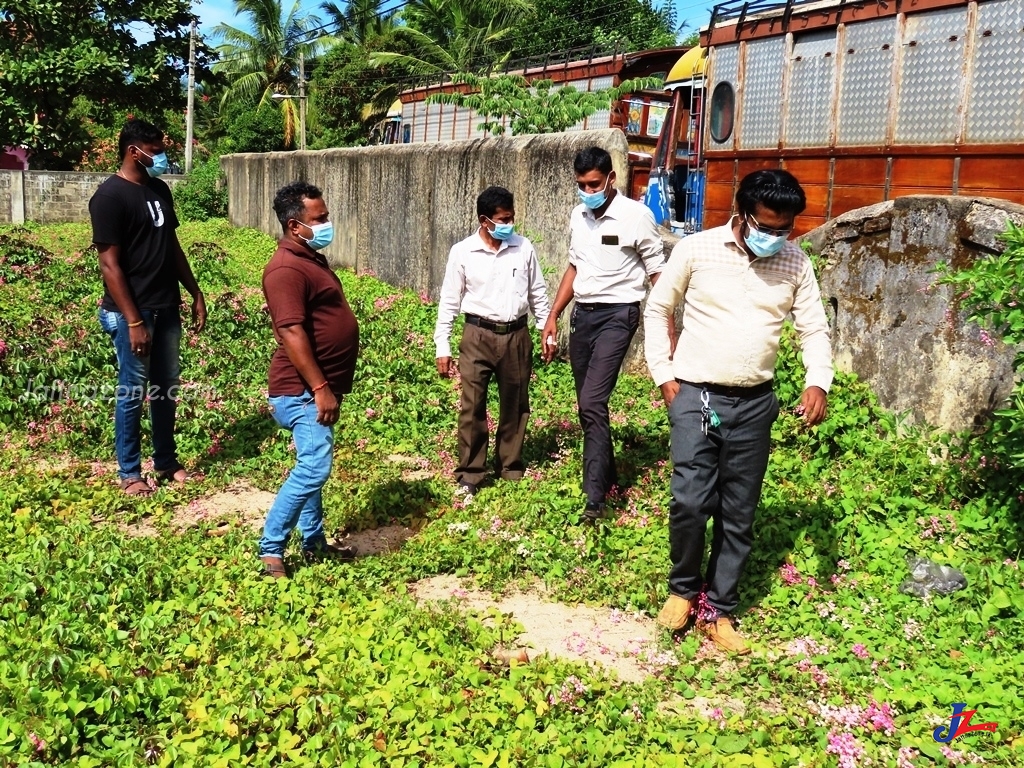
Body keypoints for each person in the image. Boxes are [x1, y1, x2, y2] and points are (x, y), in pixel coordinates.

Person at [643, 169, 834, 654]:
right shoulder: (696, 249)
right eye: (766, 226)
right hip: (696, 395)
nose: (775, 236)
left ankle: (720, 610)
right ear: (742, 213)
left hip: (754, 403)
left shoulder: (794, 262)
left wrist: (818, 382)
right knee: (689, 500)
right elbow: (658, 308)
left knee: (738, 512)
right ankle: (683, 591)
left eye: (784, 228)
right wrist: (665, 375)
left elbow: (813, 328)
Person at [541, 146, 666, 521]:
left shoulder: (636, 217)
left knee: (592, 402)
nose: (587, 190)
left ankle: (595, 498)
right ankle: (608, 474)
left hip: (619, 315)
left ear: (611, 179)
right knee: (587, 403)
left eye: (593, 183)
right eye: (581, 184)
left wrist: (666, 325)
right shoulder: (578, 215)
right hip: (584, 316)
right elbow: (574, 266)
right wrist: (554, 314)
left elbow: (658, 273)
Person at [90, 119, 207, 496]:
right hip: (133, 314)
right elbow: (109, 265)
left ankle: (166, 462)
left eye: (160, 148)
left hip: (166, 305)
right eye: (154, 150)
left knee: (165, 388)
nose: (160, 156)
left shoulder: (158, 190)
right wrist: (134, 319)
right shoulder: (109, 198)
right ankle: (129, 473)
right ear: (133, 151)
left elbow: (170, 246)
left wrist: (194, 291)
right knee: (132, 391)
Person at [259, 181, 360, 578]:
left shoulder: (309, 258)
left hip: (314, 387)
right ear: (294, 225)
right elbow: (291, 331)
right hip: (300, 391)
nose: (327, 223)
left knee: (311, 461)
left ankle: (314, 542)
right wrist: (319, 388)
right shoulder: (285, 268)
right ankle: (271, 551)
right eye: (320, 219)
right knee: (315, 467)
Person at [434, 186, 551, 501]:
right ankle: (470, 473)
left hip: (516, 335)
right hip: (477, 335)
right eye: (503, 219)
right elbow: (449, 300)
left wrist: (545, 329)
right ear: (484, 220)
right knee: (473, 406)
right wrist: (441, 345)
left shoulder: (522, 248)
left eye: (511, 217)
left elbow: (537, 292)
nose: (509, 224)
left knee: (515, 404)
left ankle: (509, 466)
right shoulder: (463, 252)